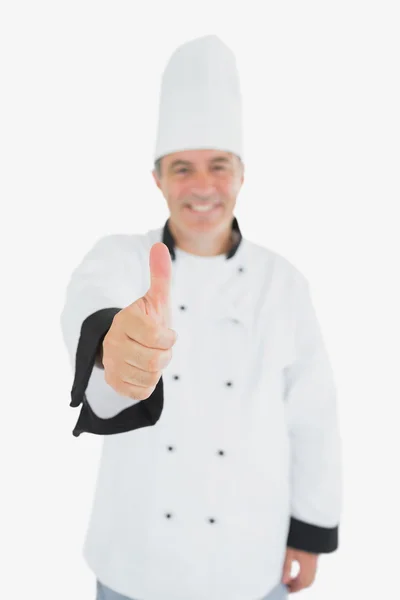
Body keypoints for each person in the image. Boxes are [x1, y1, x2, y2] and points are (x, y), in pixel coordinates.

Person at [60, 34, 342, 600]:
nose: (203, 187)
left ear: (242, 174)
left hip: (249, 556)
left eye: (219, 166)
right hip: (134, 560)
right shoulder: (119, 257)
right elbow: (90, 307)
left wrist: (310, 530)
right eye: (182, 168)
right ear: (157, 179)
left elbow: (312, 416)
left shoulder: (283, 283)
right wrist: (114, 349)